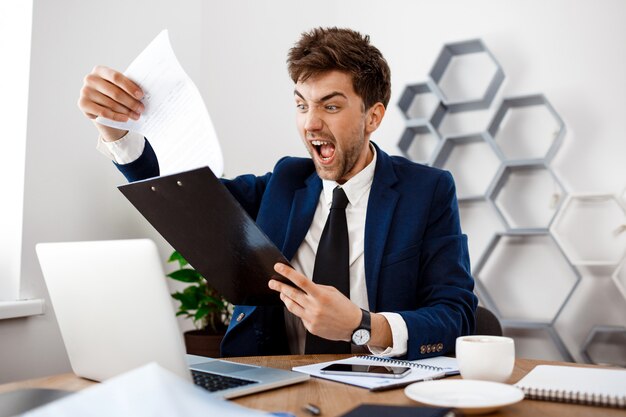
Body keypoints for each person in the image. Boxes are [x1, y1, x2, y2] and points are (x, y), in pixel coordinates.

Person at [78, 27, 477, 360]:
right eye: (301, 105)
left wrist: (363, 325)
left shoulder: (428, 191)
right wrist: (116, 131)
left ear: (373, 116)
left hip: (381, 387)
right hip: (274, 382)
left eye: (331, 107)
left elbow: (456, 315)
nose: (311, 123)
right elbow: (190, 200)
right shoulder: (287, 180)